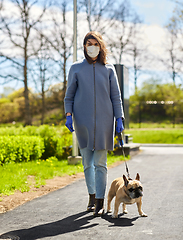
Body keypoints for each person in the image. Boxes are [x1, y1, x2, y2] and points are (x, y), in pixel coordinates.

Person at [64, 31, 124, 217]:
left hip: (106, 121)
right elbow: (70, 95)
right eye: (89, 43)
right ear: (84, 47)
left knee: (100, 163)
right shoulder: (76, 68)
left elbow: (116, 96)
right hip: (82, 121)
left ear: (100, 46)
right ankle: (91, 196)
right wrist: (68, 114)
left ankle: (99, 201)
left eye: (95, 43)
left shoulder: (108, 69)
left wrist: (119, 118)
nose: (92, 47)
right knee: (87, 164)